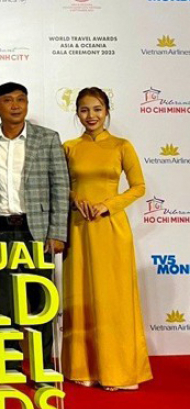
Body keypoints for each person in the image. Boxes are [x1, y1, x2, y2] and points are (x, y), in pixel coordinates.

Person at [0, 82, 69, 384]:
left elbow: (61, 187)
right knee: (4, 305)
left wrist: (57, 233)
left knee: (41, 304)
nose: (15, 106)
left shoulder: (47, 138)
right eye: (8, 100)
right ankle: (10, 367)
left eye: (21, 100)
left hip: (37, 234)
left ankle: (43, 368)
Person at [62, 87, 152, 391]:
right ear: (77, 113)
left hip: (111, 228)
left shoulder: (121, 146)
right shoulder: (69, 147)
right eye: (84, 110)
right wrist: (75, 200)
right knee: (81, 296)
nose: (91, 116)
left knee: (113, 298)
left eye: (97, 109)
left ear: (107, 111)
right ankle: (83, 367)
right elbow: (60, 185)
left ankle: (117, 370)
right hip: (79, 228)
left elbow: (138, 186)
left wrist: (107, 205)